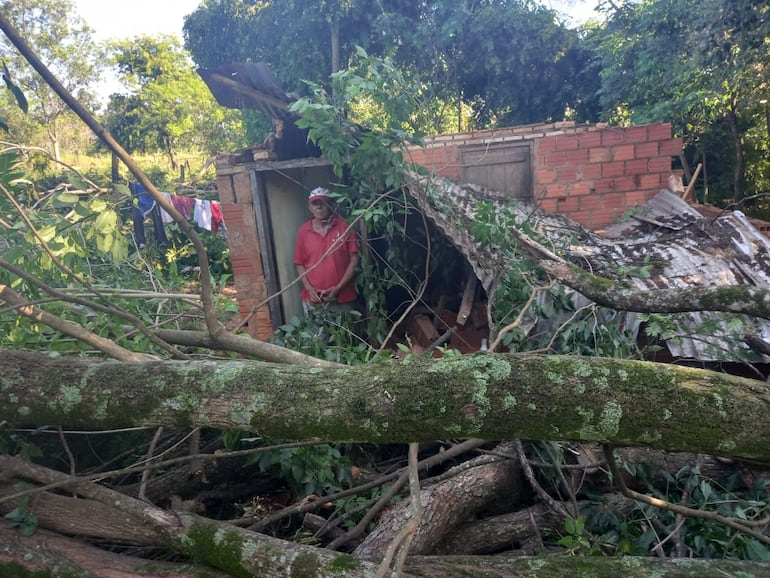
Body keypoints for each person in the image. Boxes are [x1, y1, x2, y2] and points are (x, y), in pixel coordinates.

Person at [293, 187, 359, 313]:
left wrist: (338, 288)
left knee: (345, 332)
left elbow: (355, 259)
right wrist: (310, 290)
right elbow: (299, 263)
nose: (319, 207)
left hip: (343, 298)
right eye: (315, 203)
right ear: (310, 208)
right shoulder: (304, 231)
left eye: (323, 203)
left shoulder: (345, 226)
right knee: (315, 333)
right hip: (314, 300)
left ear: (332, 205)